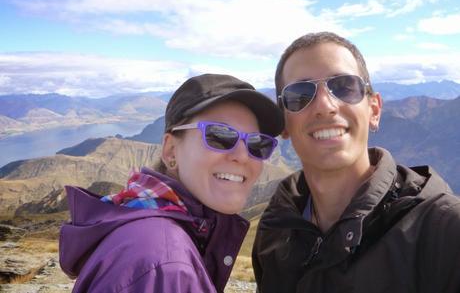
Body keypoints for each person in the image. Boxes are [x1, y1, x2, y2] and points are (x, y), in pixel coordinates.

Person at [252, 32, 460, 293]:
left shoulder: (444, 232)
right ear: (283, 122)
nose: (325, 105)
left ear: (374, 110)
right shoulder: (274, 231)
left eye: (344, 86)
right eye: (300, 94)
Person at [59, 73, 284, 293]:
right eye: (220, 136)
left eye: (257, 144)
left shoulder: (156, 235)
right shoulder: (166, 266)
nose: (243, 156)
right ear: (171, 151)